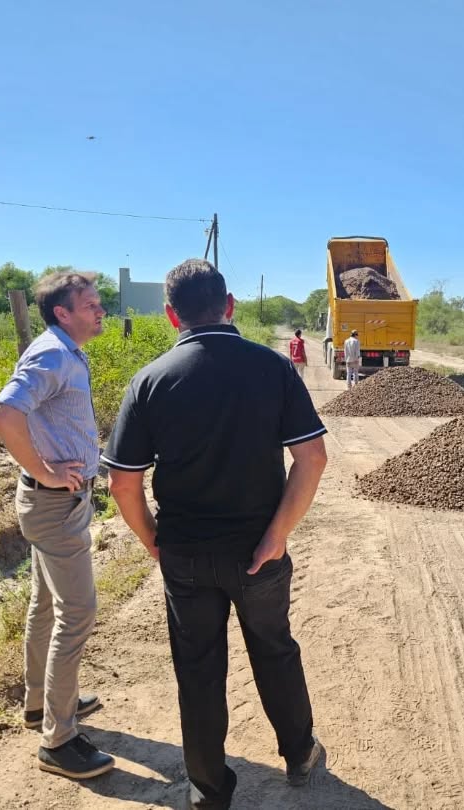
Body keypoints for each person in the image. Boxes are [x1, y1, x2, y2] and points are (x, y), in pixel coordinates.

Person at [103, 258, 328, 809]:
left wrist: (152, 540)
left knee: (198, 669)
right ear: (228, 305)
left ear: (169, 314)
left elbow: (122, 483)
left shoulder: (150, 379)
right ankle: (299, 754)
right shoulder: (271, 368)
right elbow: (312, 458)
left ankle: (208, 789)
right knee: (275, 649)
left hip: (185, 554)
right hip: (260, 553)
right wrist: (278, 535)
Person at [0, 272, 115, 780]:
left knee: (46, 604)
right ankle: (58, 742)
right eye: (89, 305)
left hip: (56, 503)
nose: (99, 310)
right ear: (62, 312)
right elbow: (3, 413)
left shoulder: (66, 350)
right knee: (78, 611)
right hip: (53, 505)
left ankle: (40, 703)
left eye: (98, 303)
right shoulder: (53, 354)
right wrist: (43, 471)